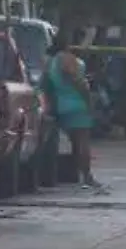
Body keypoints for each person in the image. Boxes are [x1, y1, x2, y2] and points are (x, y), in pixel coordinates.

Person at [43, 32, 103, 189]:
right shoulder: (67, 59)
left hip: (61, 104)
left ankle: (79, 174)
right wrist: (88, 102)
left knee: (75, 142)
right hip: (76, 103)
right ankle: (87, 176)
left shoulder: (51, 62)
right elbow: (79, 82)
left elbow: (46, 85)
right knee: (83, 142)